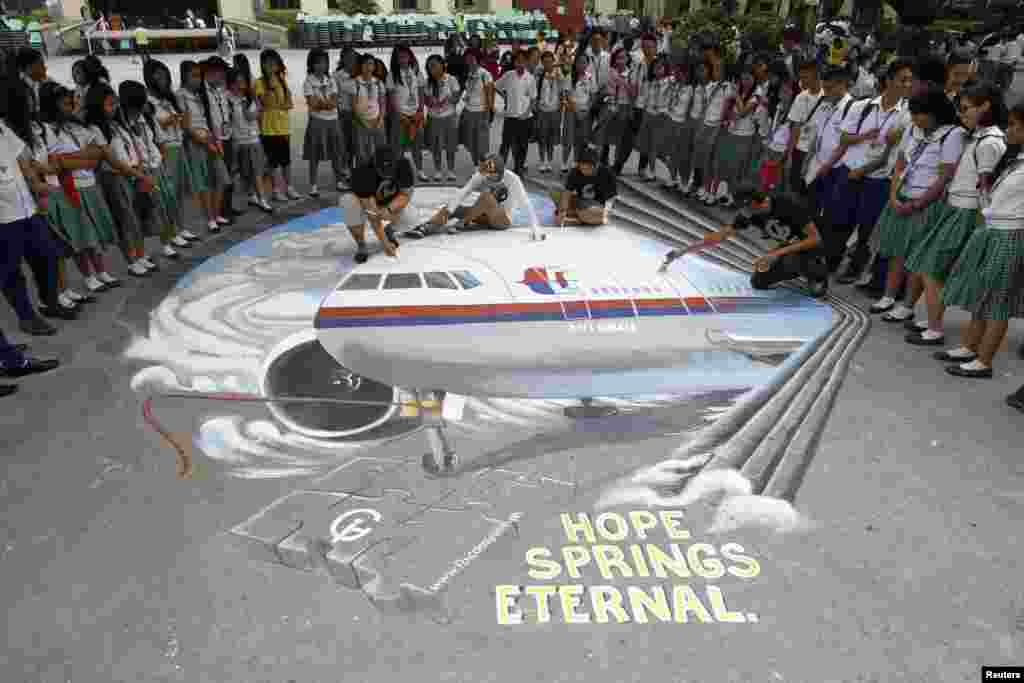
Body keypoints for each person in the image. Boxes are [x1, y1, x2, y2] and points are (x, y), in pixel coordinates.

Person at [935, 103, 1024, 380]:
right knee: (983, 293)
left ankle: (984, 361)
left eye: (1015, 126)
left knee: (997, 301)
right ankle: (969, 346)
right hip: (992, 229)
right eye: (1010, 124)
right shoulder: (1016, 160)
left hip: (1010, 235)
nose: (1009, 130)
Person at [661, 187, 829, 297]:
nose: (743, 212)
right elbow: (720, 236)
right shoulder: (750, 214)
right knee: (758, 282)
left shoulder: (788, 204)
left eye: (745, 207)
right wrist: (683, 251)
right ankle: (795, 268)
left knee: (794, 260)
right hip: (788, 249)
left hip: (814, 247)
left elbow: (815, 238)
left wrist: (775, 254)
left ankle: (818, 275)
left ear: (759, 203)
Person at [406, 154, 538, 238]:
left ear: (499, 173)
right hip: (482, 215)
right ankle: (427, 227)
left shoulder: (513, 179)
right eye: (486, 174)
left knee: (486, 197)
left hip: (502, 220)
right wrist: (449, 210)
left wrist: (535, 229)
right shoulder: (481, 175)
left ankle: (462, 224)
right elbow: (462, 193)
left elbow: (526, 203)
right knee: (455, 207)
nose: (487, 177)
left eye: (490, 175)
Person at [343, 147, 414, 264]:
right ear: (374, 165)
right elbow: (372, 215)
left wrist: (390, 209)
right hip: (363, 205)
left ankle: (389, 230)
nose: (387, 174)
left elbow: (406, 194)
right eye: (383, 171)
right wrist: (385, 244)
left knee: (412, 217)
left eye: (390, 170)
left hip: (388, 204)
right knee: (347, 201)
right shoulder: (362, 171)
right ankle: (361, 244)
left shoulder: (404, 164)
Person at [302, 48, 343, 197]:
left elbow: (334, 102)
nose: (321, 65)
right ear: (311, 64)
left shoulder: (331, 80)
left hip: (333, 120)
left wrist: (322, 103)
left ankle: (339, 180)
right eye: (318, 62)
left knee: (336, 152)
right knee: (314, 154)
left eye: (324, 62)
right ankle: (313, 185)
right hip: (316, 122)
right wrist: (326, 103)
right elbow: (312, 104)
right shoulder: (308, 82)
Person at [552, 147, 617, 226]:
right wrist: (563, 211)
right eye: (581, 167)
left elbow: (611, 199)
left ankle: (577, 219)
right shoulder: (575, 171)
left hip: (596, 206)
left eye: (587, 168)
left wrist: (606, 213)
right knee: (554, 190)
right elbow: (567, 193)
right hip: (580, 201)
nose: (583, 171)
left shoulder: (607, 173)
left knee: (599, 215)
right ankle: (574, 215)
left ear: (596, 165)